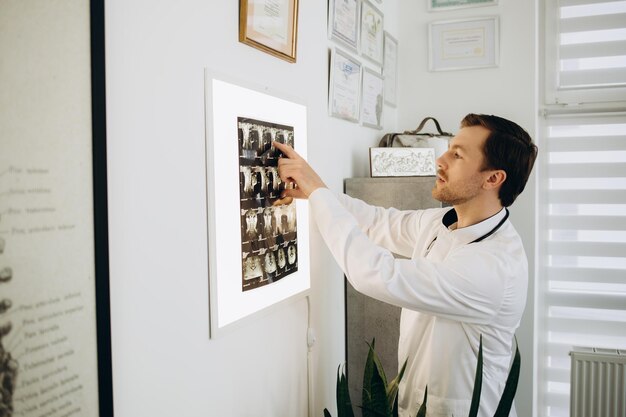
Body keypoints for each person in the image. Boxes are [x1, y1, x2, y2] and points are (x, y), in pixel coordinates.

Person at [274, 114, 538, 417]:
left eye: (457, 154)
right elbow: (377, 221)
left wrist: (319, 195)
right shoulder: (444, 221)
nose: (440, 160)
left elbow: (376, 274)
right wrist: (315, 190)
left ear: (493, 178)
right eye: (448, 148)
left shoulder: (494, 268)